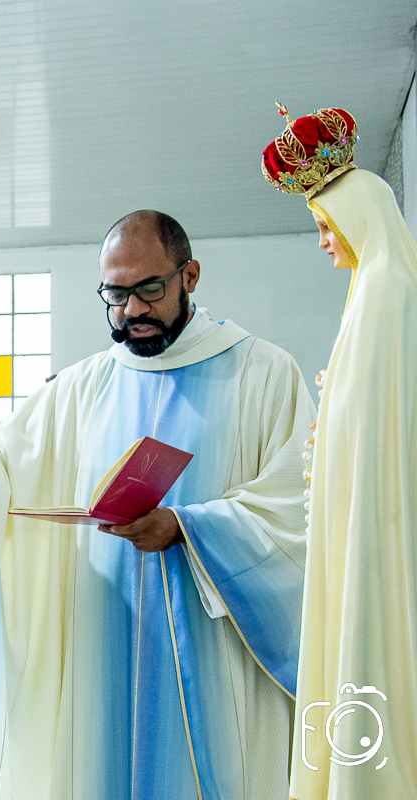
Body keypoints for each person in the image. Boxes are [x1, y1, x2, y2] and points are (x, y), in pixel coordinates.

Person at [0, 210, 313, 798]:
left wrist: (187, 528)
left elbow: (298, 506)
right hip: (102, 658)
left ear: (190, 275)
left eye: (149, 289)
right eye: (115, 296)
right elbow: (5, 479)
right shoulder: (81, 388)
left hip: (216, 662)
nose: (132, 311)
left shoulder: (264, 373)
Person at [263, 106, 417, 796]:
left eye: (328, 228)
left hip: (377, 527)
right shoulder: (370, 294)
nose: (324, 242)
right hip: (357, 517)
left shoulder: (388, 292)